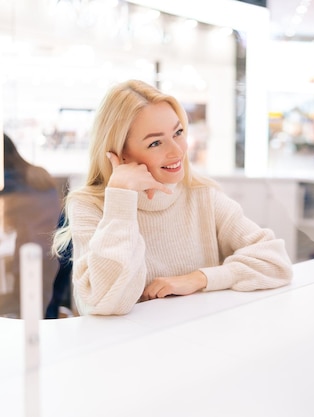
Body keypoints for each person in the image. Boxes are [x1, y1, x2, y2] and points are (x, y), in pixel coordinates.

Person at [52, 80, 293, 316]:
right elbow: (106, 303)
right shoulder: (90, 205)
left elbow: (276, 262)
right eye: (156, 142)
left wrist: (199, 279)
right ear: (119, 154)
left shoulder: (201, 195)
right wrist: (121, 201)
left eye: (178, 132)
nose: (178, 150)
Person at [0, 133, 61, 318]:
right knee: (46, 316)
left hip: (33, 260)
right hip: (55, 257)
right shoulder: (37, 173)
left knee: (31, 317)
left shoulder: (10, 179)